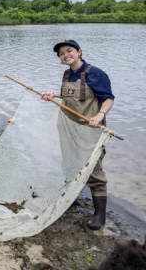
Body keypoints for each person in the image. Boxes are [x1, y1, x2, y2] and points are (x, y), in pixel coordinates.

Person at [41, 39, 114, 230]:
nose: (66, 55)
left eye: (69, 51)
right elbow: (74, 96)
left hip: (90, 131)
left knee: (94, 171)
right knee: (69, 164)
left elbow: (108, 99)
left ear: (79, 51)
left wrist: (100, 115)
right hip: (68, 128)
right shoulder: (67, 74)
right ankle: (70, 200)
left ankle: (100, 215)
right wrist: (54, 95)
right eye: (62, 54)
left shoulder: (95, 73)